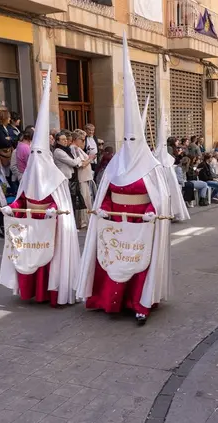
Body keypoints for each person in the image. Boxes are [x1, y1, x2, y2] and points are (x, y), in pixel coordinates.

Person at [76, 34, 172, 326]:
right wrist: (104, 209)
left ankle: (139, 302)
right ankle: (109, 301)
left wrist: (150, 212)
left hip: (142, 226)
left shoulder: (152, 167)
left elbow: (160, 197)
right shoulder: (115, 165)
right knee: (114, 261)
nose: (129, 144)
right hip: (116, 225)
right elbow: (106, 193)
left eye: (134, 139)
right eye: (125, 139)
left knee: (139, 264)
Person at [0, 69, 81, 308]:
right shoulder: (28, 177)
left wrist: (53, 210)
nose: (34, 157)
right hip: (30, 226)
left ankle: (52, 292)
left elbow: (59, 202)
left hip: (50, 226)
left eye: (38, 153)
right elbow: (22, 199)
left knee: (50, 259)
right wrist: (11, 207)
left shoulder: (56, 178)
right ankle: (32, 291)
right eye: (31, 153)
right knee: (29, 256)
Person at [153, 106, 190, 221]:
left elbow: (170, 160)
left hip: (169, 173)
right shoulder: (161, 152)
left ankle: (174, 212)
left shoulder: (168, 156)